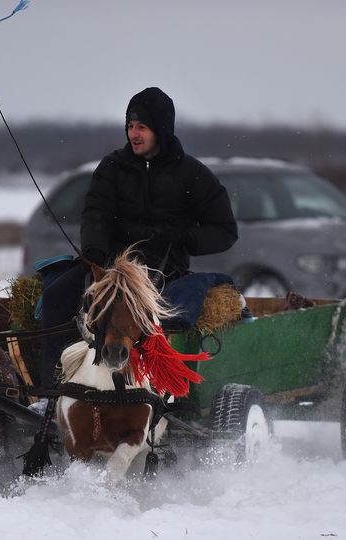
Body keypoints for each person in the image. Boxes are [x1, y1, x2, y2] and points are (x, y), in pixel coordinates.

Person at [38, 87, 237, 388]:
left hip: (163, 271)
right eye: (130, 126)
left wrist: (181, 236)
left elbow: (225, 231)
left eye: (142, 126)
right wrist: (94, 251)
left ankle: (161, 394)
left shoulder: (192, 174)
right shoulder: (112, 167)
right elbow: (95, 213)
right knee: (56, 295)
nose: (134, 133)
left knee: (167, 317)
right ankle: (52, 389)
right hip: (109, 267)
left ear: (161, 129)